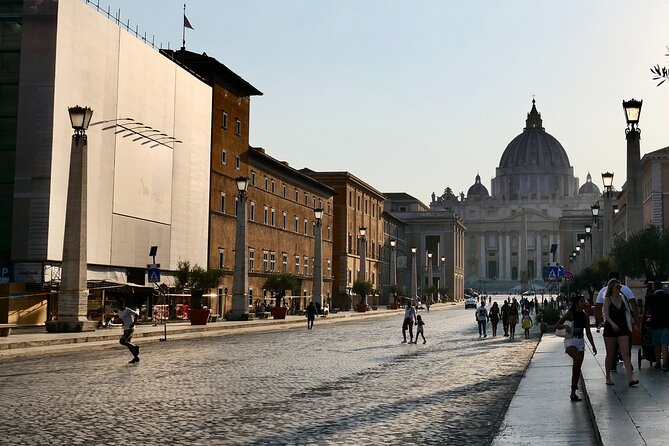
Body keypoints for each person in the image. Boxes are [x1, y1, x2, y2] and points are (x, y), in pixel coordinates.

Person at [555, 294, 597, 401]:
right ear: (577, 303)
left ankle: (573, 392)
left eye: (584, 301)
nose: (584, 303)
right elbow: (557, 325)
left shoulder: (585, 316)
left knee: (577, 368)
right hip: (570, 341)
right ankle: (573, 388)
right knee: (577, 359)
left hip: (580, 342)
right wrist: (565, 326)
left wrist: (593, 345)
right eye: (582, 301)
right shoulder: (570, 313)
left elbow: (587, 332)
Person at [595, 271, 637, 369]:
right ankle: (627, 362)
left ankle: (613, 365)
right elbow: (633, 304)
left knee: (612, 346)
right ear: (619, 278)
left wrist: (598, 320)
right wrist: (634, 319)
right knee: (627, 344)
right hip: (625, 323)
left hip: (611, 324)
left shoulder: (603, 291)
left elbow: (598, 306)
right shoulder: (626, 289)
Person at [603, 279, 639, 386]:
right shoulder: (607, 299)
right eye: (617, 287)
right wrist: (613, 324)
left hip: (623, 328)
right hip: (610, 328)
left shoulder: (623, 298)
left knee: (625, 353)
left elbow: (628, 312)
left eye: (620, 287)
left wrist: (634, 324)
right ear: (611, 288)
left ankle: (630, 379)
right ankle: (608, 377)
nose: (619, 289)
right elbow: (606, 315)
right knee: (610, 354)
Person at [646, 279, 669, 371]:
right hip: (666, 324)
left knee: (657, 344)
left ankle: (658, 362)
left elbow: (647, 311)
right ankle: (665, 364)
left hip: (655, 324)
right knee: (665, 343)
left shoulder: (650, 298)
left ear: (653, 288)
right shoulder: (667, 297)